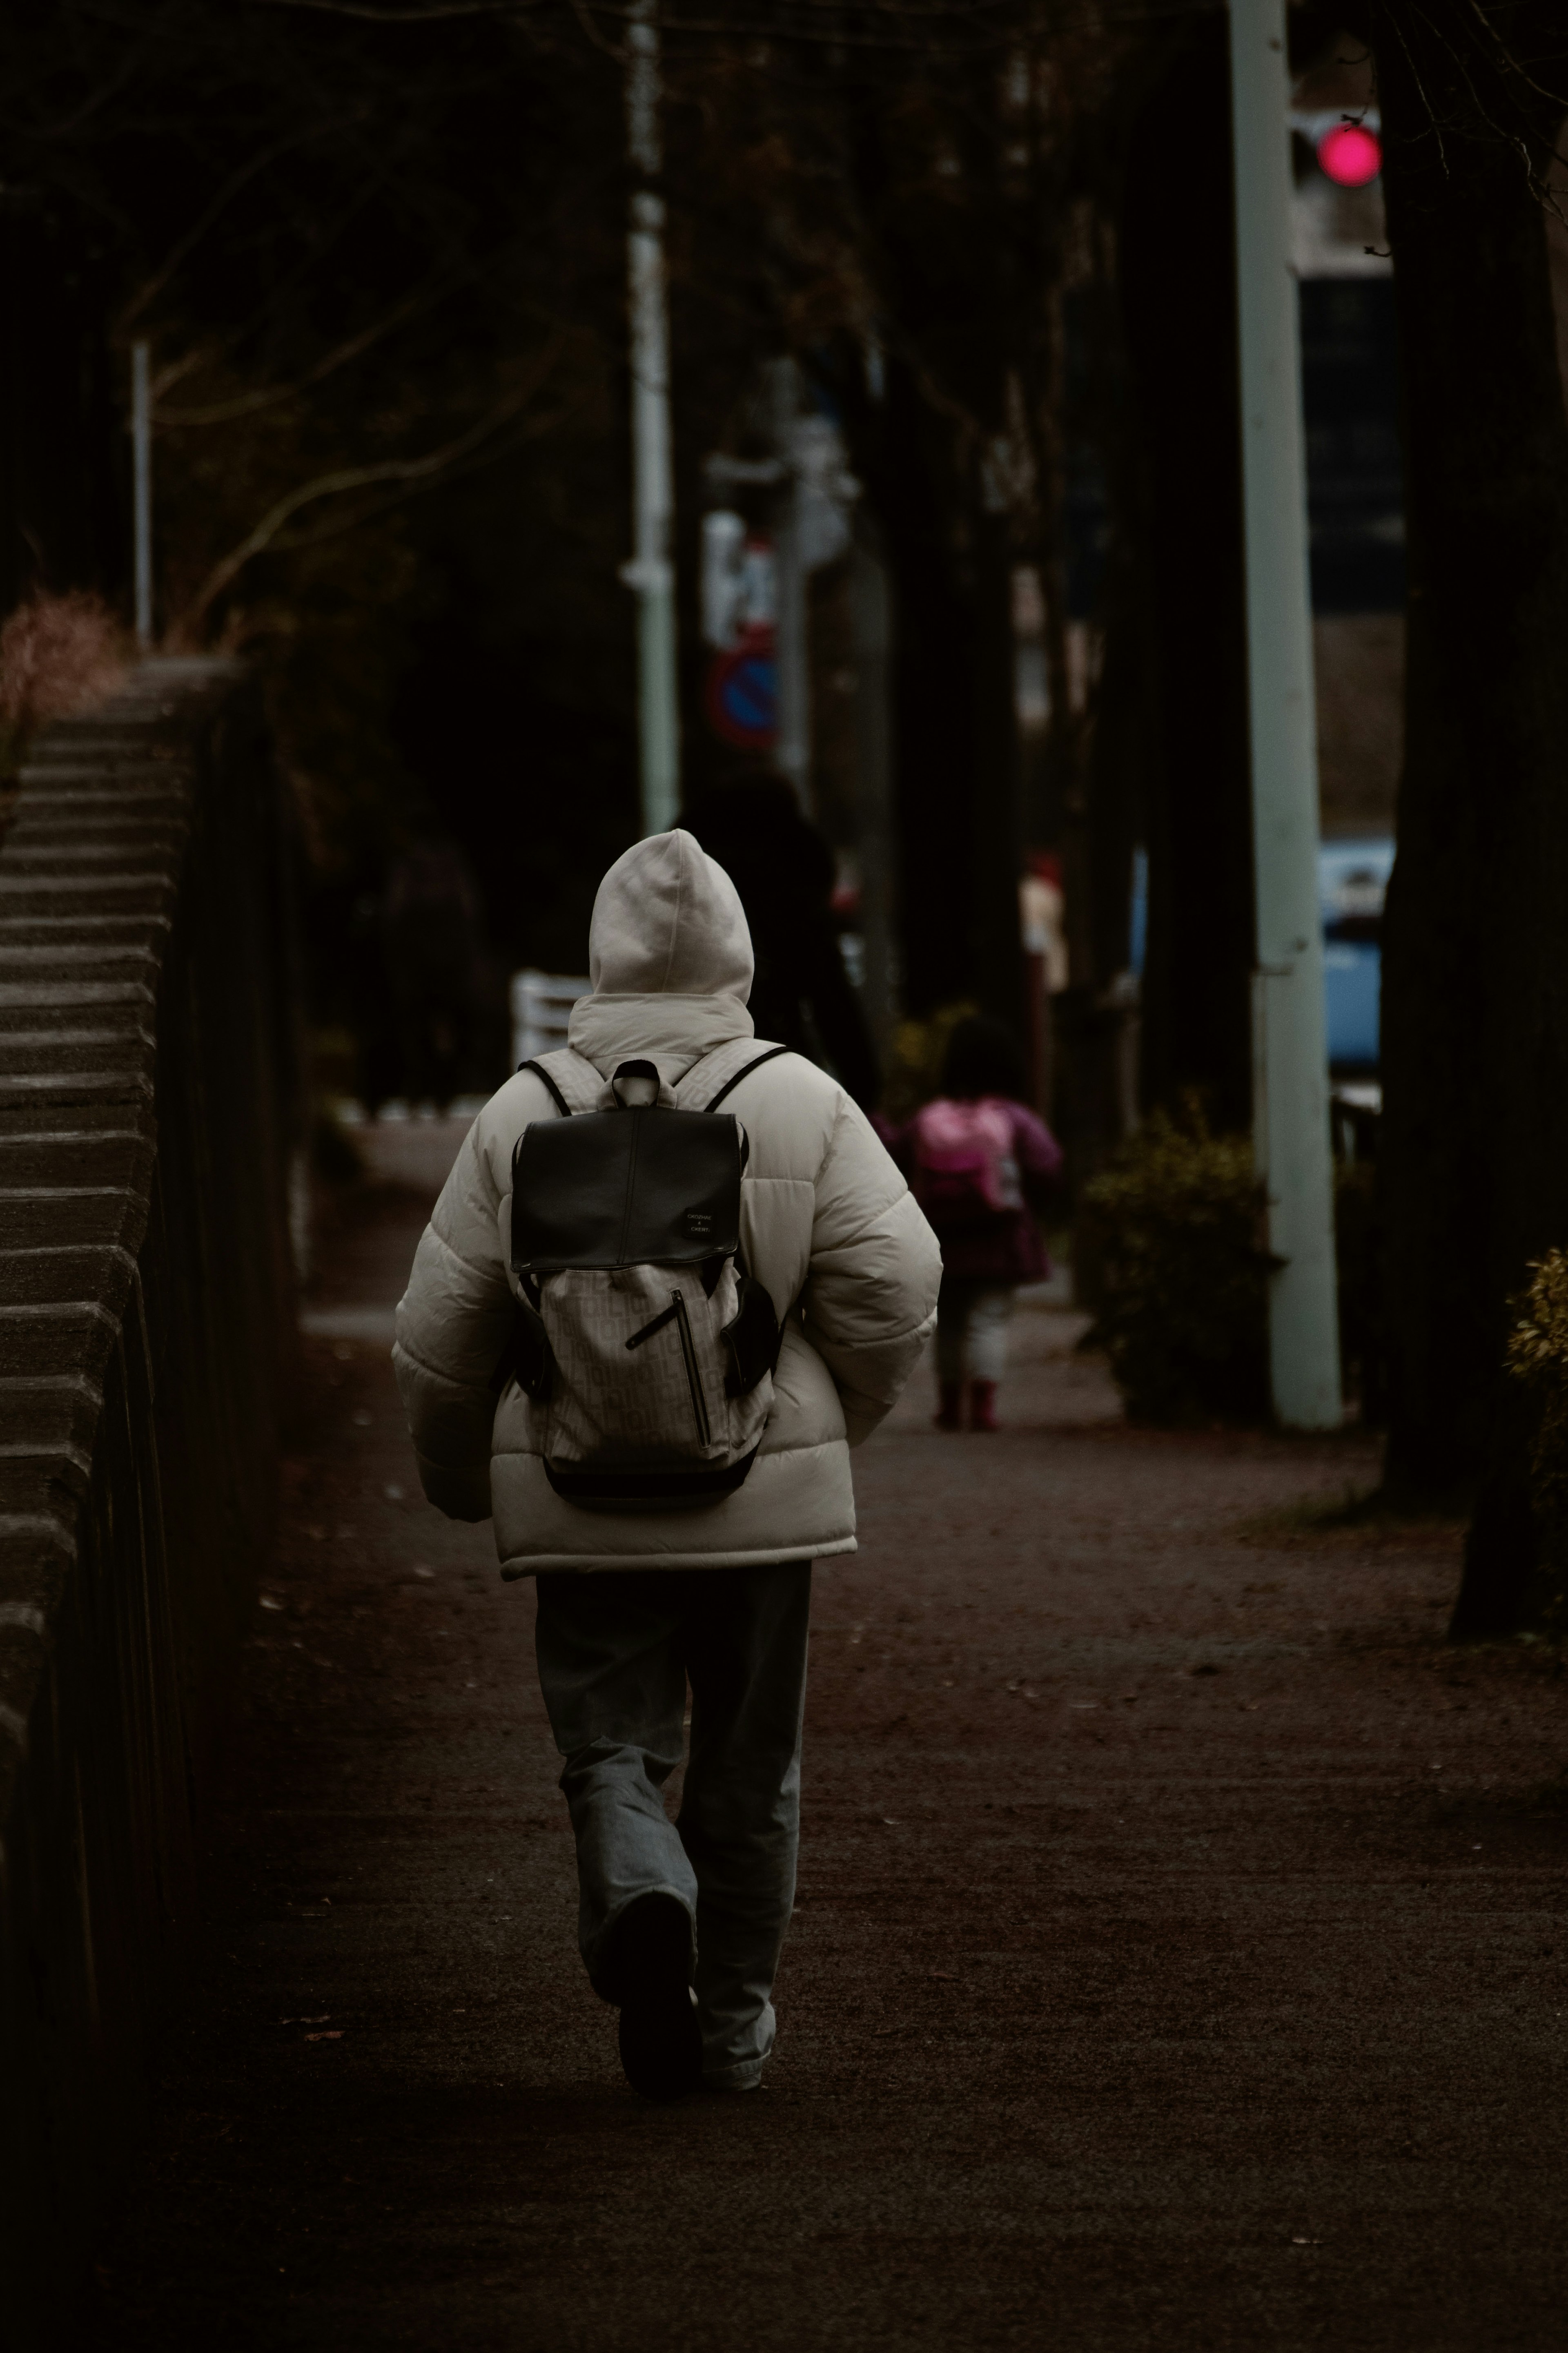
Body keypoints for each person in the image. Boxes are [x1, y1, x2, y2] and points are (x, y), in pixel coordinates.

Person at [393, 829, 940, 2099]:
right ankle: (733, 2021)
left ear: (602, 955)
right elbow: (899, 1283)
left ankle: (643, 1891)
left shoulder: (526, 1110)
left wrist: (466, 1480)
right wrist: (823, 1415)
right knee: (751, 1766)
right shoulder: (795, 1095)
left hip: (581, 1490)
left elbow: (434, 1341)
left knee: (611, 1743)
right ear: (734, 953)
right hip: (758, 1495)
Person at [895, 1015, 1062, 1434]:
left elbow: (895, 1154)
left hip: (940, 1237)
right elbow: (1048, 1163)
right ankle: (984, 1407)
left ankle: (949, 1405)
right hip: (1000, 1237)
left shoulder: (930, 1117)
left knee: (948, 1321)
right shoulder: (1014, 1117)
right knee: (987, 1319)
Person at [681, 776, 880, 1110]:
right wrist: (865, 1091)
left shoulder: (685, 884)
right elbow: (833, 1002)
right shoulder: (794, 887)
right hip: (777, 1068)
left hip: (686, 1073)